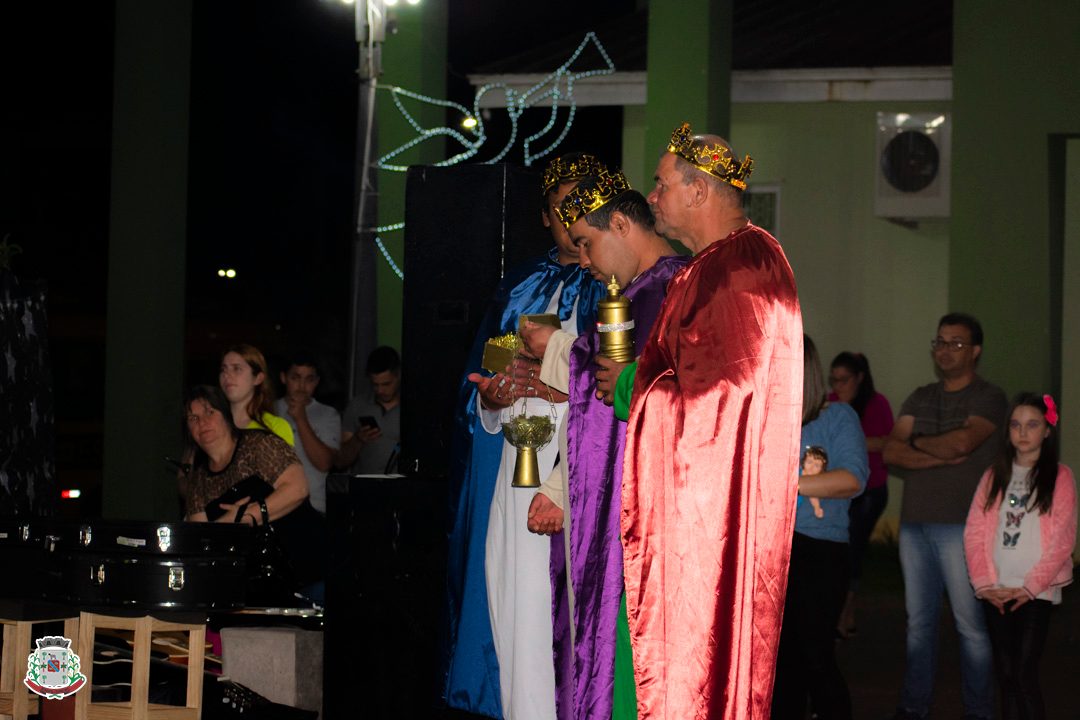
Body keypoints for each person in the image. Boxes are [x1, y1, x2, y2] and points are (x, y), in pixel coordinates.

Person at [613, 122, 803, 718]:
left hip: (706, 519)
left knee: (694, 669)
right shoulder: (717, 264)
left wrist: (632, 386)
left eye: (662, 183)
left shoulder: (742, 268)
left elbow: (722, 401)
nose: (653, 197)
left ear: (699, 191)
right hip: (696, 507)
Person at [517, 169, 687, 720]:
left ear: (620, 223)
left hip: (645, 506)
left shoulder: (671, 288)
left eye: (587, 244)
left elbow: (650, 387)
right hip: (614, 492)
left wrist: (558, 346)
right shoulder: (637, 291)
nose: (584, 260)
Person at [442, 153, 605, 719]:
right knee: (512, 604)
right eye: (563, 208)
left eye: (585, 206)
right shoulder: (520, 290)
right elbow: (489, 377)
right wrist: (492, 396)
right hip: (518, 467)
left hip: (580, 468)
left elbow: (618, 388)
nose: (573, 219)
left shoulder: (618, 287)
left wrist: (555, 383)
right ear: (544, 217)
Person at [882, 312, 1007, 720]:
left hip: (964, 527)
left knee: (970, 625)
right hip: (916, 523)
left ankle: (980, 711)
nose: (944, 350)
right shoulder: (921, 396)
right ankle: (914, 706)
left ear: (975, 351)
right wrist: (935, 451)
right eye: (939, 342)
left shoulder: (988, 397)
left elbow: (963, 443)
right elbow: (891, 451)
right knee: (918, 623)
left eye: (955, 343)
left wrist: (917, 443)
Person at [771, 335, 868, 720]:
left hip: (820, 551)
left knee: (815, 658)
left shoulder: (837, 417)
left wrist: (786, 483)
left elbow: (852, 479)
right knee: (780, 665)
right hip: (772, 552)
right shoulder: (765, 419)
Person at [963, 393, 1076, 720]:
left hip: (1034, 592)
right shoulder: (993, 475)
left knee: (1025, 673)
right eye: (1015, 425)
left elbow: (1062, 539)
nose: (1022, 432)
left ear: (1047, 431)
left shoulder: (1060, 477)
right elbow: (974, 531)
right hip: (996, 589)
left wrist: (1030, 587)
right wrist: (983, 583)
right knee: (1007, 674)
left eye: (1032, 425)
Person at [181, 384, 324, 598]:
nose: (202, 423)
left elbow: (298, 488)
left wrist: (247, 516)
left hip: (312, 570)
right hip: (259, 588)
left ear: (226, 415)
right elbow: (203, 544)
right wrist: (227, 525)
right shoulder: (198, 479)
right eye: (193, 418)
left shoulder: (259, 444)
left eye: (210, 412)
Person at [828, 351, 894, 637]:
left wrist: (847, 443)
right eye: (833, 380)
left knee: (853, 549)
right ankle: (837, 607)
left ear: (859, 378)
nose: (837, 386)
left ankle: (846, 610)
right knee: (838, 550)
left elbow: (886, 443)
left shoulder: (876, 404)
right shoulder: (829, 404)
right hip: (837, 491)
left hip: (870, 490)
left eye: (843, 380)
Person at [273, 352, 341, 514]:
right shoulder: (268, 411)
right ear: (283, 378)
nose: (302, 386)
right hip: (274, 506)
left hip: (315, 505)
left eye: (309, 379)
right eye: (295, 378)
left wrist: (301, 418)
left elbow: (325, 463)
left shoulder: (328, 414)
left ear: (317, 382)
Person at [339, 346, 401, 475]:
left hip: (403, 487)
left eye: (386, 384)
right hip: (365, 485)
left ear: (398, 376)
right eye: (375, 385)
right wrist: (358, 439)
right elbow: (340, 461)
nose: (380, 390)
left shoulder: (414, 407)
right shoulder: (357, 406)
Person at [219, 344, 294, 445]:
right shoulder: (212, 424)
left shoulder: (275, 427)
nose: (227, 375)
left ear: (258, 378)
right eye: (223, 369)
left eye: (237, 368)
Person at [801, 446, 829, 519]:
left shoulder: (811, 481)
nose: (812, 467)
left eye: (817, 465)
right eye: (809, 462)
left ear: (821, 469)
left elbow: (813, 496)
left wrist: (817, 508)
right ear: (803, 462)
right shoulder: (796, 471)